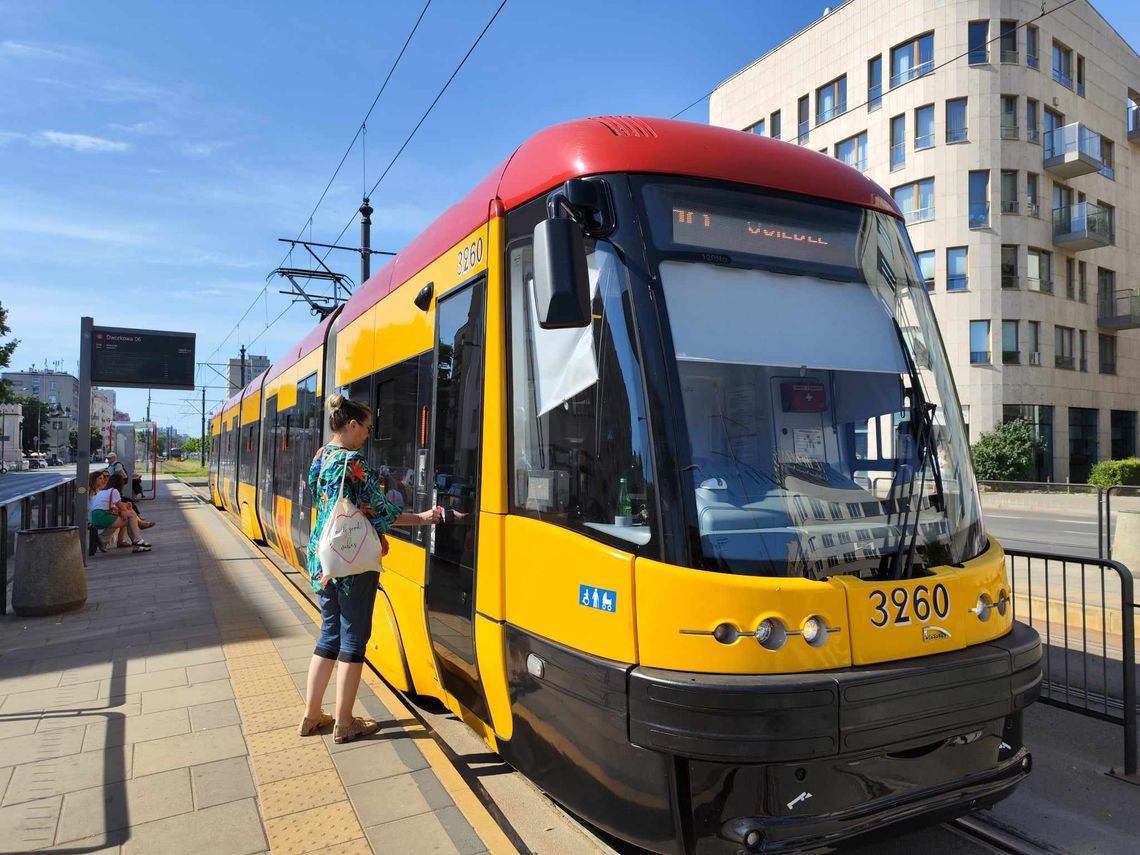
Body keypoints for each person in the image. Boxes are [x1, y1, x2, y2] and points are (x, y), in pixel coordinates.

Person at [299, 394, 439, 743]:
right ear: (351, 425)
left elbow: (320, 500)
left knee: (329, 634)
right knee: (353, 639)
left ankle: (312, 715)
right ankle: (344, 722)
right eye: (366, 428)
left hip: (322, 555)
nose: (367, 435)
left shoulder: (320, 458)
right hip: (351, 561)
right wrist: (424, 518)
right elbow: (381, 512)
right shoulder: (354, 462)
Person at [89, 469, 151, 553]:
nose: (104, 480)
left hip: (98, 516)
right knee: (131, 515)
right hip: (102, 516)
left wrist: (122, 511)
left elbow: (114, 507)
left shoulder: (103, 492)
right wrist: (123, 511)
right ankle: (137, 540)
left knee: (129, 518)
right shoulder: (114, 491)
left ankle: (136, 542)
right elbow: (123, 508)